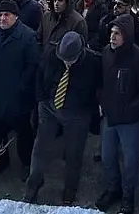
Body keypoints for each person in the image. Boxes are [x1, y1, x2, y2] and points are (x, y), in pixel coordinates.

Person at [24, 31, 101, 206]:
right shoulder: (51, 52)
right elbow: (40, 75)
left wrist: (89, 109)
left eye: (70, 60)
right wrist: (42, 99)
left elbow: (98, 88)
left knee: (74, 153)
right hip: (49, 108)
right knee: (40, 148)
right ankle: (33, 185)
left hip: (77, 114)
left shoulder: (93, 61)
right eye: (63, 58)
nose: (66, 62)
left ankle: (70, 189)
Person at [96, 14, 139, 214]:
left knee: (130, 162)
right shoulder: (106, 53)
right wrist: (101, 101)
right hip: (109, 116)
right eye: (111, 33)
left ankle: (129, 197)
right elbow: (101, 82)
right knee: (107, 157)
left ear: (127, 36)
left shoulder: (138, 58)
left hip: (129, 120)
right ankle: (113, 189)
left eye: (117, 33)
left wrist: (133, 108)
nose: (113, 37)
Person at [0, 0, 40, 182]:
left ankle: (26, 164)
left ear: (16, 17)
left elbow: (32, 65)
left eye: (7, 15)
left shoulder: (28, 36)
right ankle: (0, 160)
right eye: (0, 15)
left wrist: (21, 86)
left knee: (23, 134)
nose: (3, 19)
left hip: (18, 97)